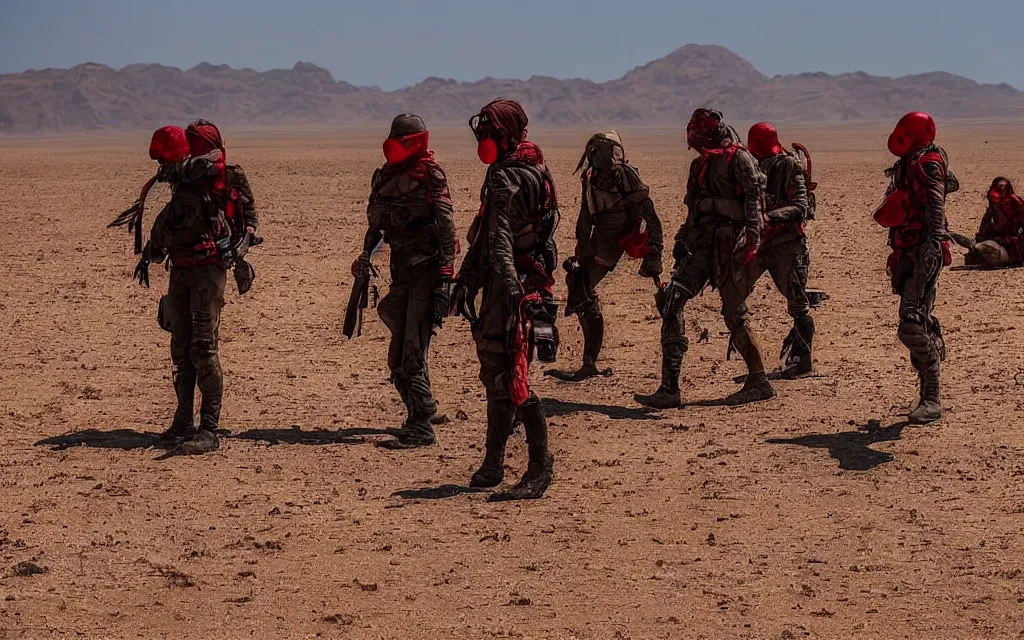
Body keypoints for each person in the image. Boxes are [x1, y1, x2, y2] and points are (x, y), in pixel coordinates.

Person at [122, 120, 259, 454]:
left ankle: (209, 429)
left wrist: (153, 249)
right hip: (182, 269)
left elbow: (177, 224)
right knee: (181, 348)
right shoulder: (186, 179)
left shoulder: (202, 178)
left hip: (205, 273)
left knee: (202, 348)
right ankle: (183, 422)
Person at [451, 99, 559, 500]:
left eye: (490, 132)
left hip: (511, 288)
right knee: (498, 375)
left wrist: (514, 295)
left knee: (507, 375)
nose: (484, 139)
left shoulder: (505, 177)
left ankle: (538, 469)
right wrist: (466, 281)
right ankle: (494, 462)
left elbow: (496, 243)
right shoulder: (536, 167)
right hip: (529, 281)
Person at [635, 108, 774, 409]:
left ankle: (759, 380)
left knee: (734, 313)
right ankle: (670, 389)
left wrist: (752, 235)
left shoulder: (738, 158)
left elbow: (754, 196)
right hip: (701, 246)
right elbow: (694, 209)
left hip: (730, 247)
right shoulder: (700, 165)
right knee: (671, 300)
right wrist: (682, 239)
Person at [353, 114, 457, 448]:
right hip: (402, 273)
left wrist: (445, 276)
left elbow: (446, 227)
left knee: (410, 352)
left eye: (401, 137)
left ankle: (421, 427)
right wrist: (366, 255)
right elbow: (377, 226)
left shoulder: (429, 175)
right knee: (399, 352)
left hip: (426, 273)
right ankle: (422, 408)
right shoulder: (384, 177)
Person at [547, 131, 663, 382]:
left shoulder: (623, 174)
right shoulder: (590, 177)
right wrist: (581, 247)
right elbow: (586, 215)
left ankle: (589, 363)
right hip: (598, 239)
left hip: (613, 241)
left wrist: (654, 252)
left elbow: (648, 210)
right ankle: (589, 361)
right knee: (577, 283)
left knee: (583, 288)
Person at [873, 111, 958, 424]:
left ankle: (932, 395)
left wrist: (934, 244)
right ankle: (930, 343)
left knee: (910, 324)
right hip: (906, 248)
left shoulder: (928, 163)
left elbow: (935, 204)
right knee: (915, 317)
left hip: (923, 249)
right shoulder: (909, 162)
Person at [746, 122, 815, 378]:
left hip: (787, 246)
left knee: (798, 305)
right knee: (735, 294)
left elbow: (800, 206)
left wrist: (768, 216)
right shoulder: (752, 166)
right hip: (760, 244)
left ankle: (802, 361)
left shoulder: (788, 166)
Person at [964, 177, 1024, 268]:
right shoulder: (994, 204)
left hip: (1012, 230)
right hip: (1000, 231)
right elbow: (989, 221)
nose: (1002, 187)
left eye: (1004, 185)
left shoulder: (1012, 199)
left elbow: (1020, 213)